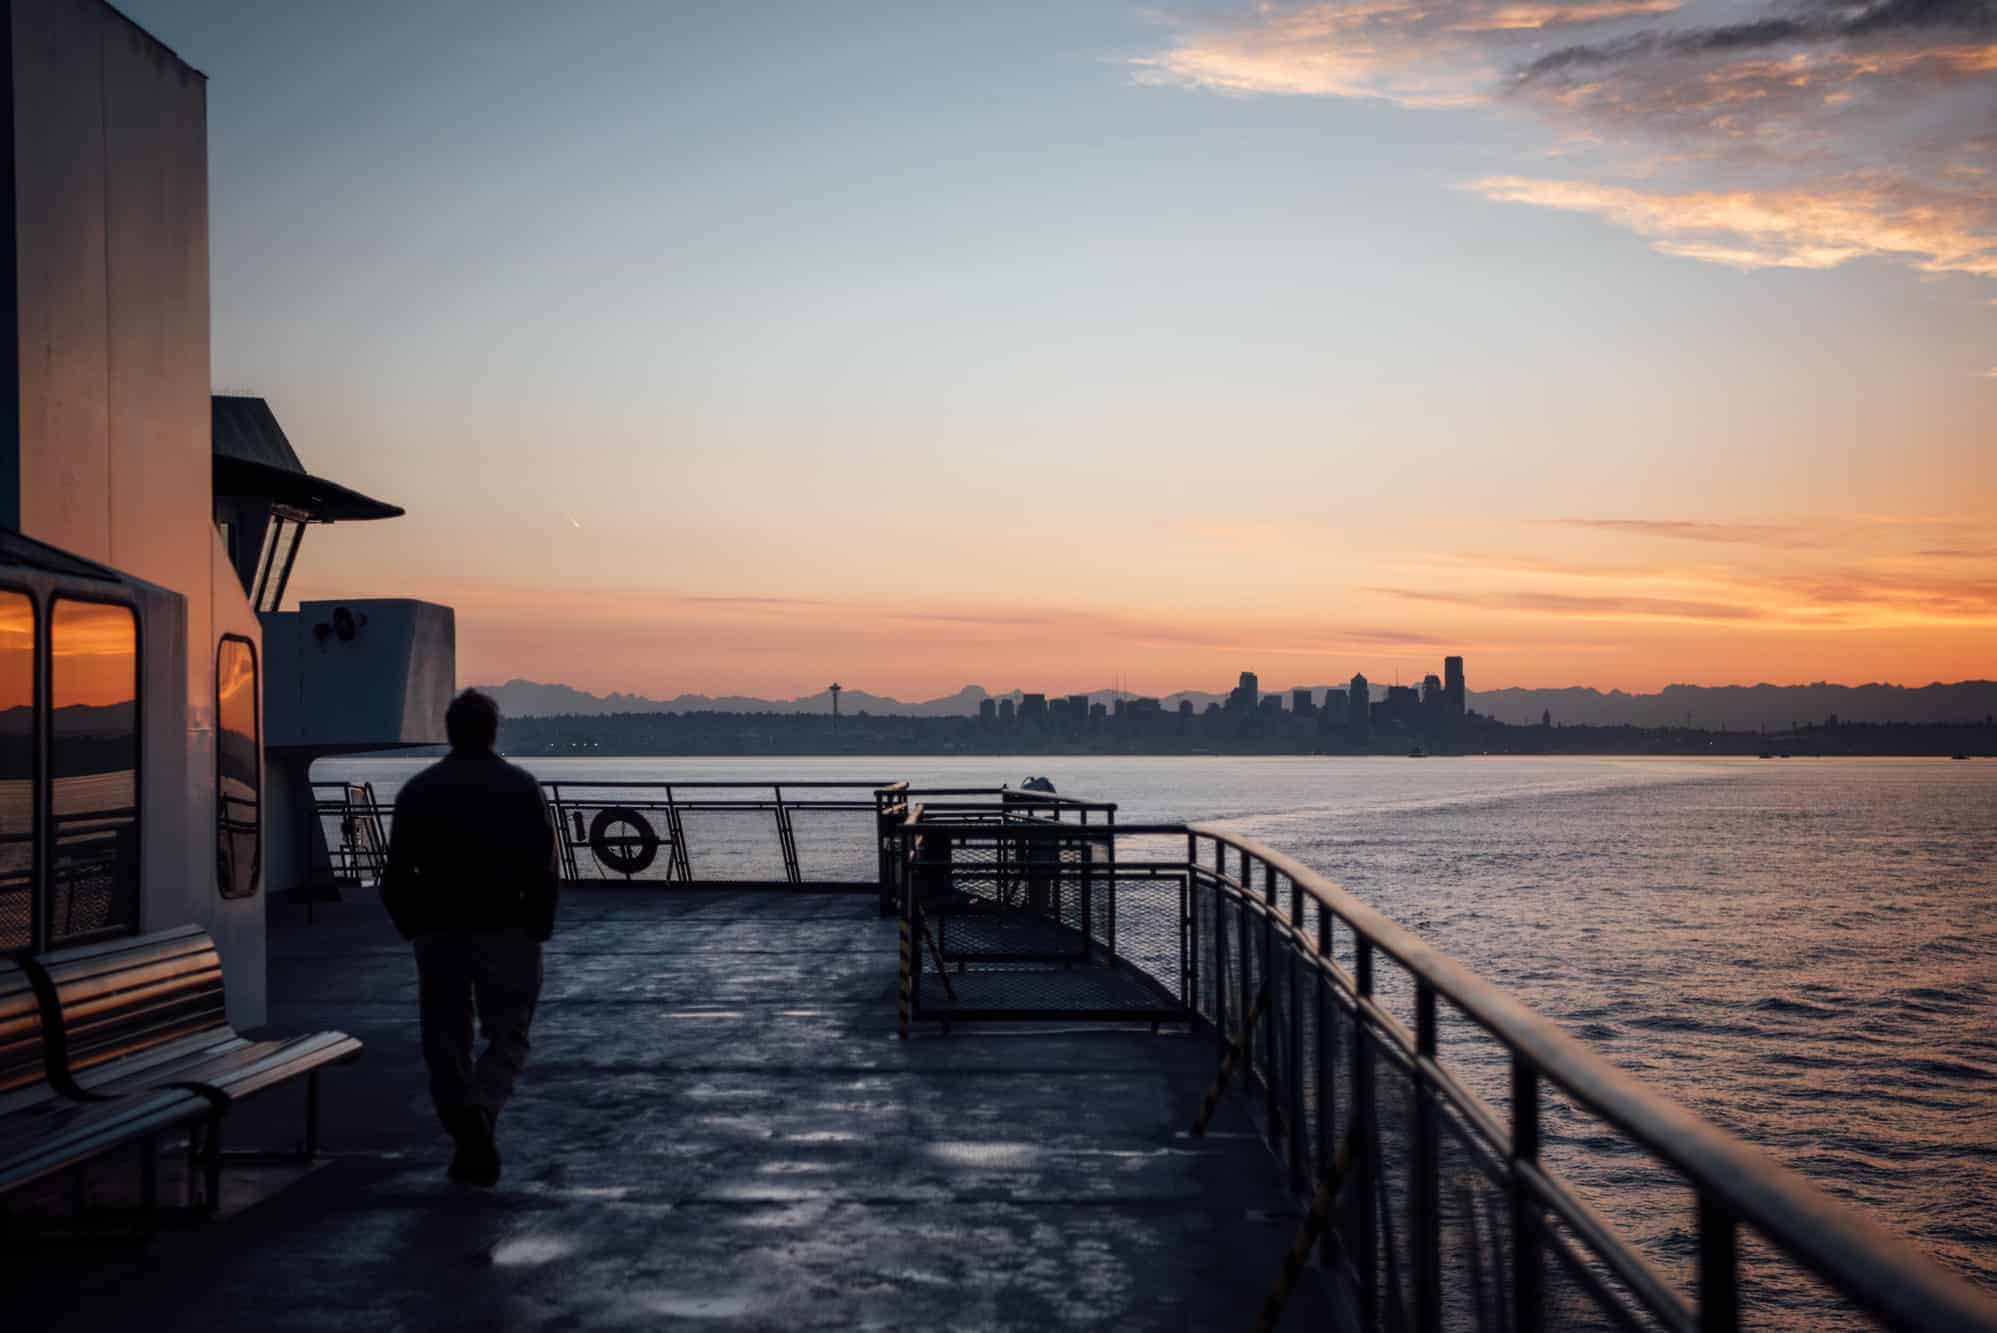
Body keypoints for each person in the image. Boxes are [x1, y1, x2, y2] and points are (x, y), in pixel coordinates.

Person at [381, 689, 558, 1186]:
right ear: (493, 730)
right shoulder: (521, 788)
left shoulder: (419, 791)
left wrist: (412, 925)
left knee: (443, 1038)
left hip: (438, 933)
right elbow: (542, 867)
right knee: (510, 1032)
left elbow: (395, 874)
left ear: (450, 730)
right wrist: (538, 925)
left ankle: (466, 1129)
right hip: (508, 932)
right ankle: (482, 1107)